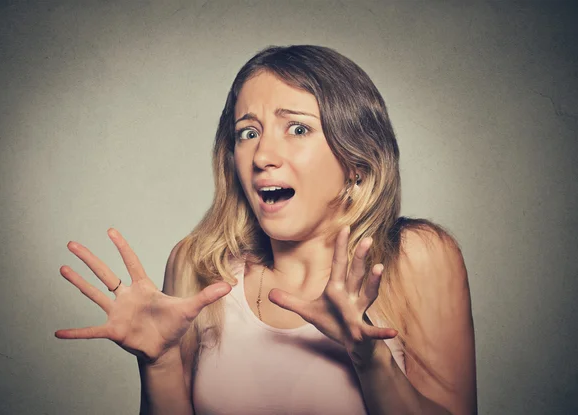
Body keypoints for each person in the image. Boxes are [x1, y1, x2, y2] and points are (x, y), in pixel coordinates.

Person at [56, 45, 477, 414]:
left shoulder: (415, 256)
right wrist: (160, 362)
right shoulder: (200, 266)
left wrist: (371, 358)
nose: (263, 155)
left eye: (297, 128)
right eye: (248, 133)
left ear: (356, 162)